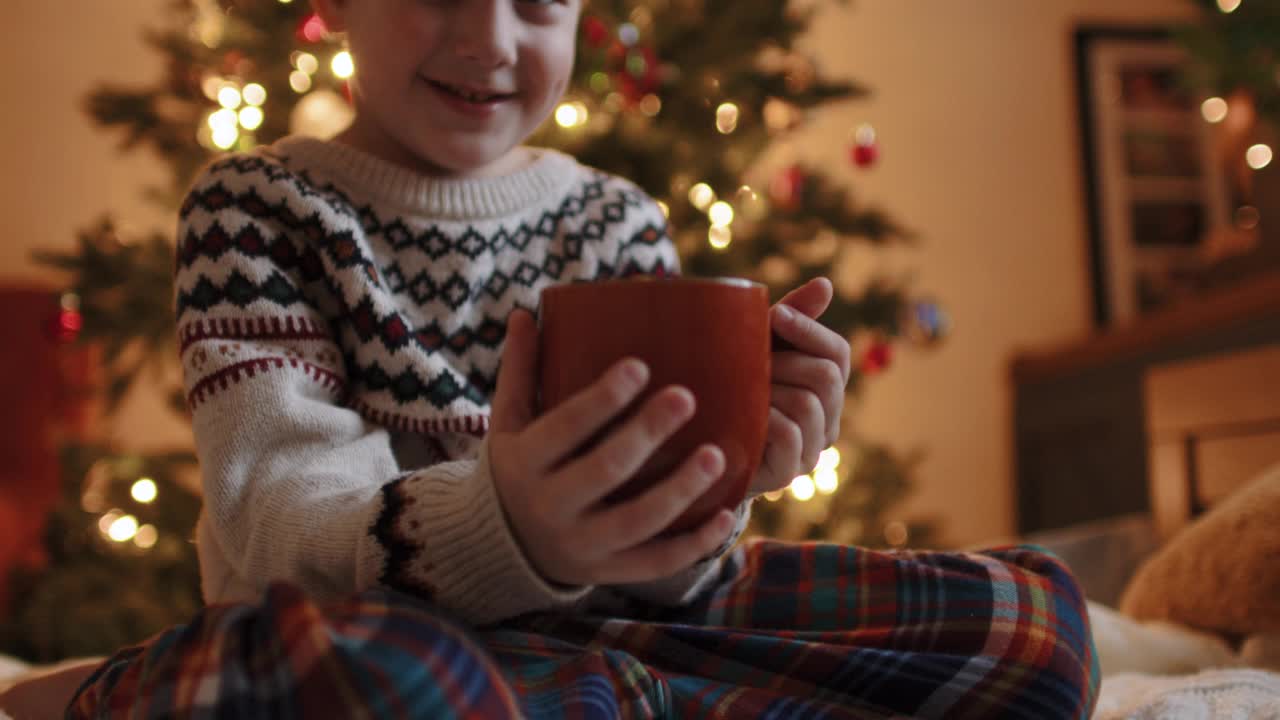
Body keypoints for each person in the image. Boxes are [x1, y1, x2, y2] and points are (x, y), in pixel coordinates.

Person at [60, 0, 1100, 717]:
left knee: (1031, 632)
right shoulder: (257, 212)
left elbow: (675, 578)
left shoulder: (611, 219)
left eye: (538, 5)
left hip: (602, 635)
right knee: (379, 683)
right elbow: (280, 522)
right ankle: (114, 693)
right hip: (360, 628)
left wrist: (728, 474)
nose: (489, 40)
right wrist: (504, 524)